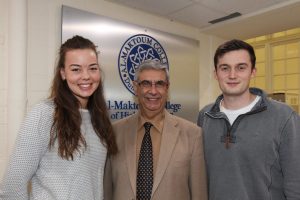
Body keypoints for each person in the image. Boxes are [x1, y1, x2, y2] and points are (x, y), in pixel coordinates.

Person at [0, 35, 117, 199]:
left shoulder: (99, 119)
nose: (86, 76)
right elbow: (11, 187)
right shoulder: (44, 114)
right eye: (76, 69)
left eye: (92, 68)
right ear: (63, 73)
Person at [197, 39, 300, 200]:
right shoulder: (205, 116)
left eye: (241, 67)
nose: (232, 75)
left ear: (253, 72)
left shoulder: (283, 116)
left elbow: (296, 183)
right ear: (215, 74)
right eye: (225, 68)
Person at [104, 59, 207, 200]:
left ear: (167, 87)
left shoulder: (192, 134)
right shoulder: (114, 133)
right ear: (135, 87)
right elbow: (107, 192)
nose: (153, 91)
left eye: (159, 84)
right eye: (146, 83)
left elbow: (199, 194)